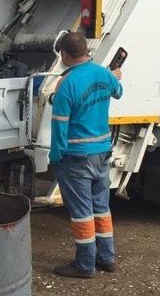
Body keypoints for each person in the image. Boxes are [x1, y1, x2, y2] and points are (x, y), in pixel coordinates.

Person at [50, 32, 123, 279]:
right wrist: (116, 76)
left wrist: (56, 156)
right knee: (101, 207)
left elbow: (60, 126)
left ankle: (84, 265)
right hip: (102, 152)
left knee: (81, 212)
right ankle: (107, 258)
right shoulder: (103, 73)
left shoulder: (66, 83)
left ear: (64, 54)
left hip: (76, 157)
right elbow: (118, 91)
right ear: (86, 51)